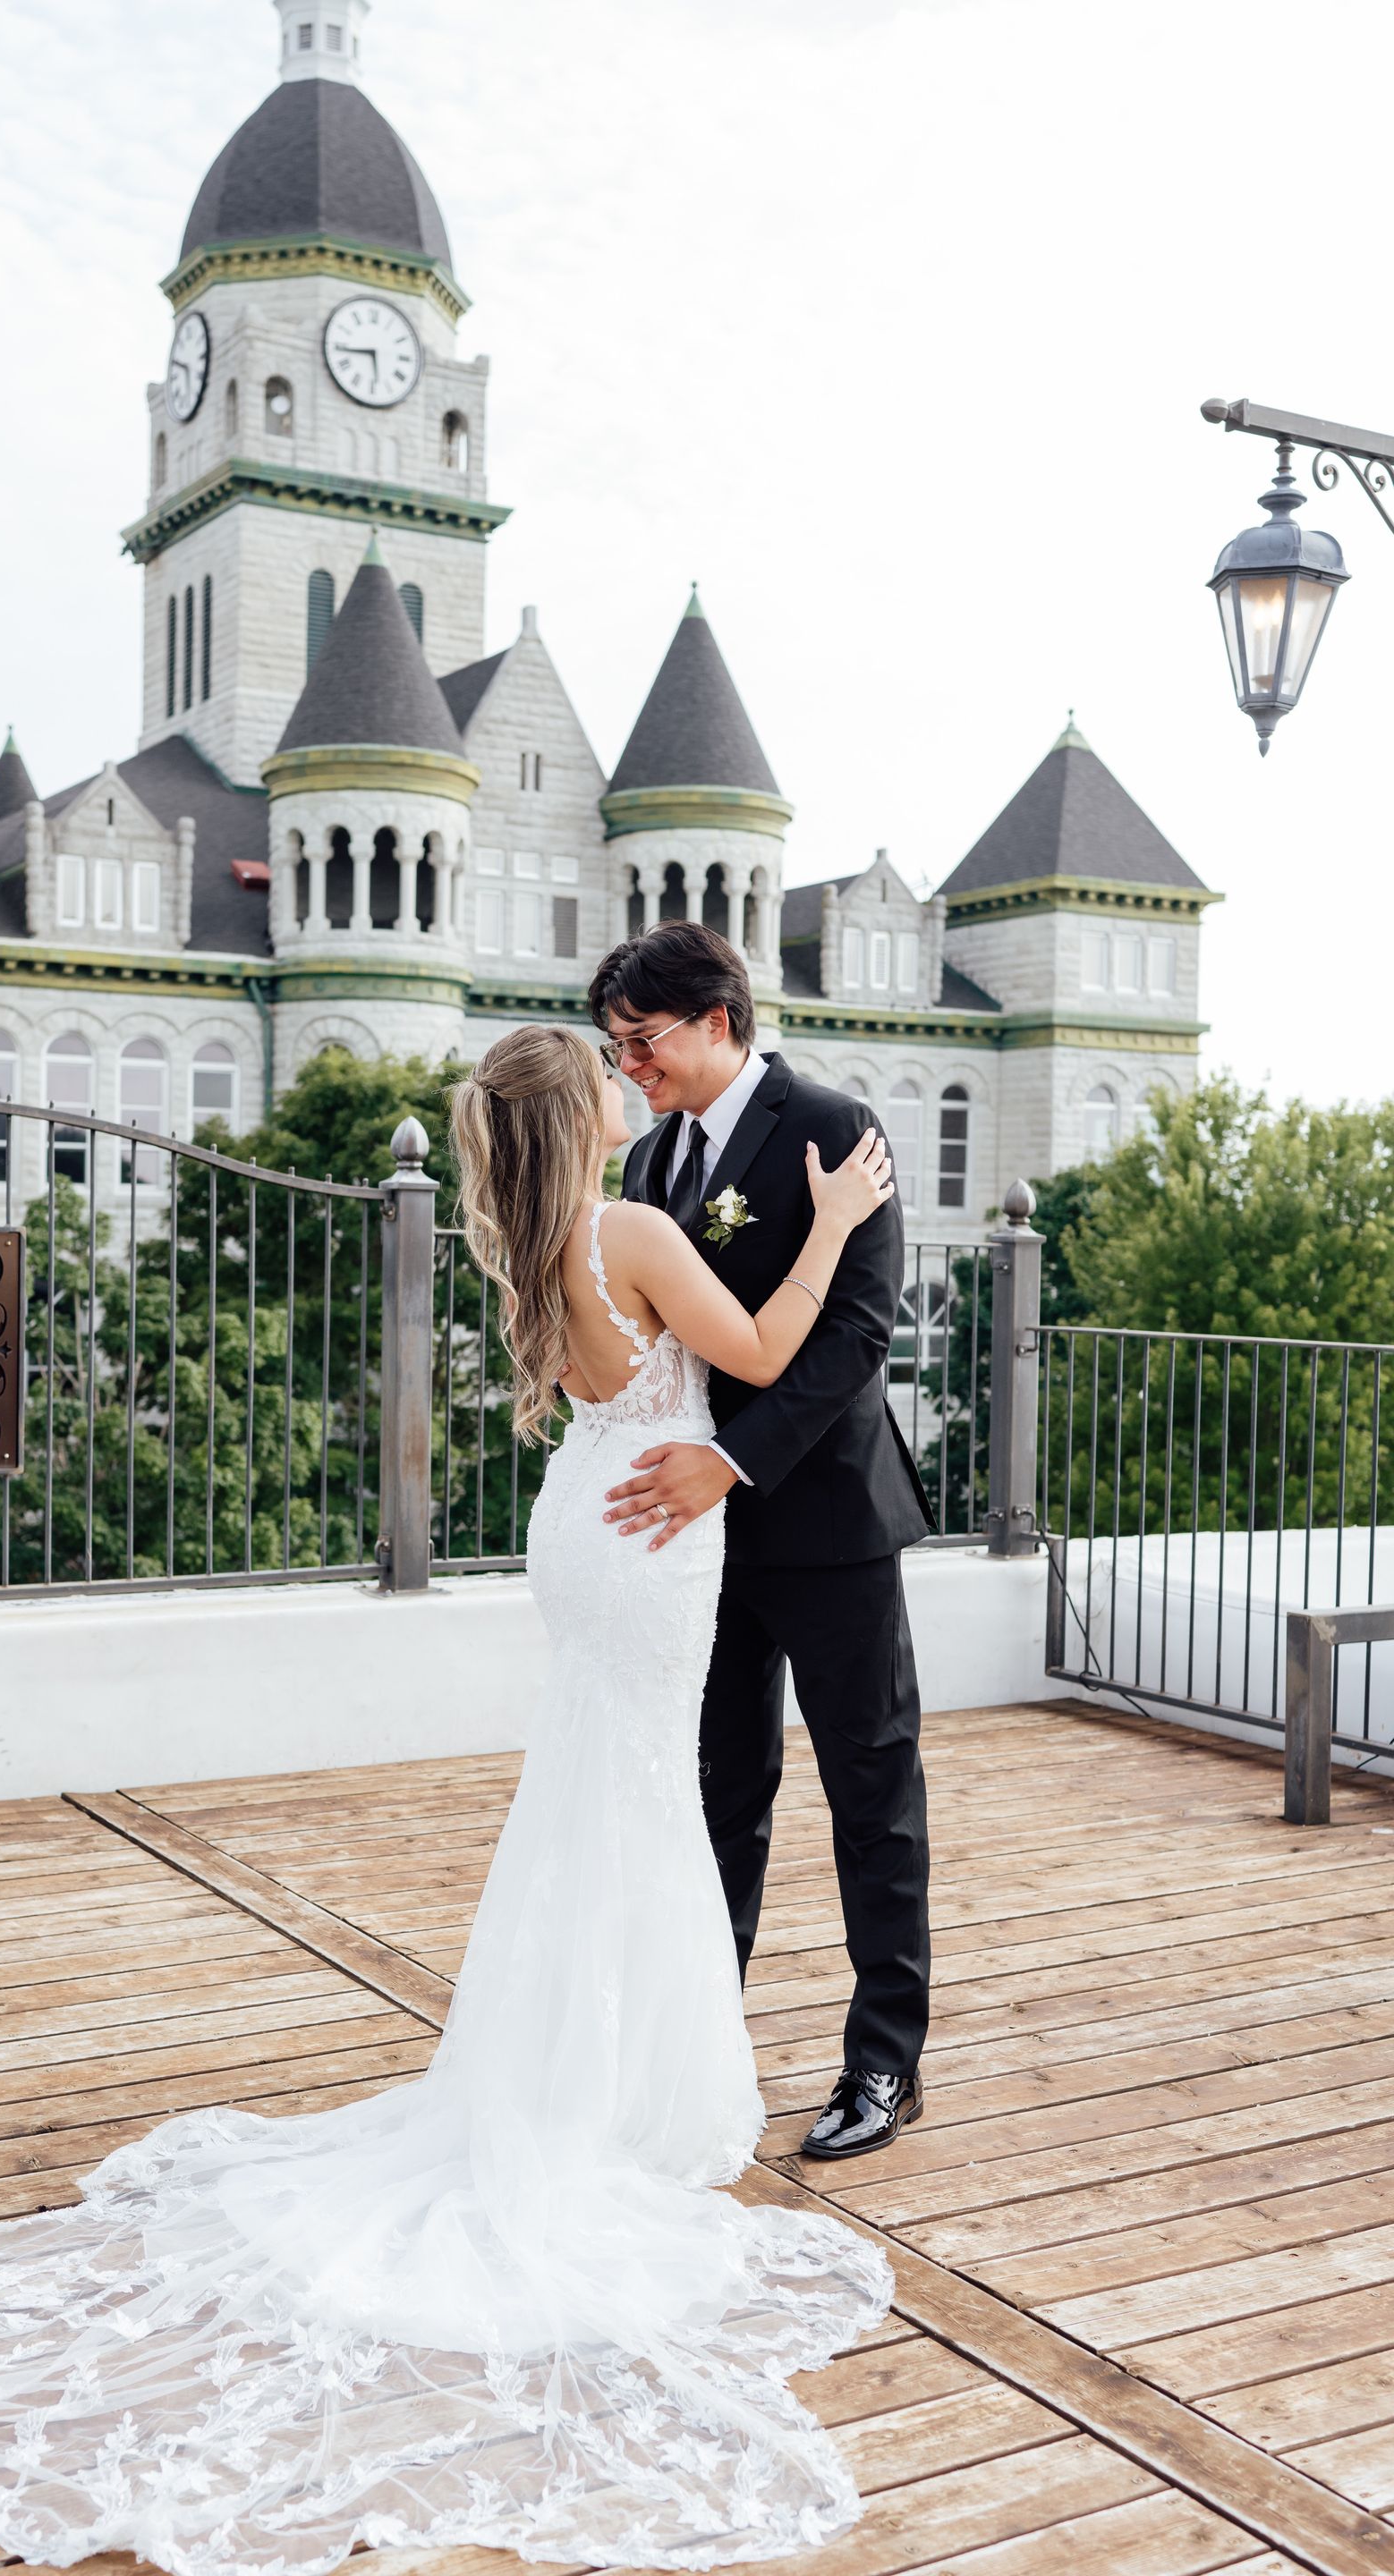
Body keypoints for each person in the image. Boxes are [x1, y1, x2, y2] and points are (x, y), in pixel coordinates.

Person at [0, 1020, 897, 2576]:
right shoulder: (644, 1229)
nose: (626, 1087)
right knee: (644, 1807)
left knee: (604, 1802)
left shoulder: (543, 1243)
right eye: (604, 1078)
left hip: (590, 1532)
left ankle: (585, 2081)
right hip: (657, 1541)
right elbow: (757, 1351)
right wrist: (844, 1228)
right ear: (579, 1117)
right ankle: (610, 2101)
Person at [593, 919, 937, 2161]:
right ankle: (704, 2053)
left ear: (718, 1019)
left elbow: (855, 1336)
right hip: (698, 1544)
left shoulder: (834, 1128)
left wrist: (728, 1462)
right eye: (616, 1048)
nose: (632, 1065)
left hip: (831, 1520)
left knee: (872, 1796)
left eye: (645, 1041)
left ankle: (884, 2064)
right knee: (718, 1796)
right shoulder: (645, 1167)